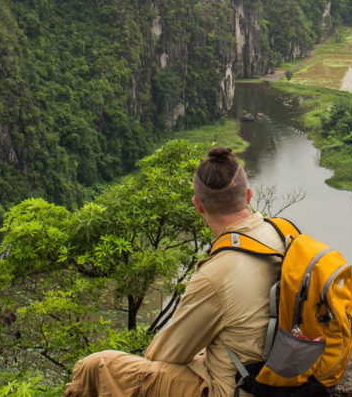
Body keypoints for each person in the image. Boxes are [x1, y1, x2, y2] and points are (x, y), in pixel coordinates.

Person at [64, 146, 283, 397]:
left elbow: (164, 355)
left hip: (236, 389)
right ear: (249, 194)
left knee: (95, 366)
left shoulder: (217, 274)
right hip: (281, 374)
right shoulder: (279, 233)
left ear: (198, 205)